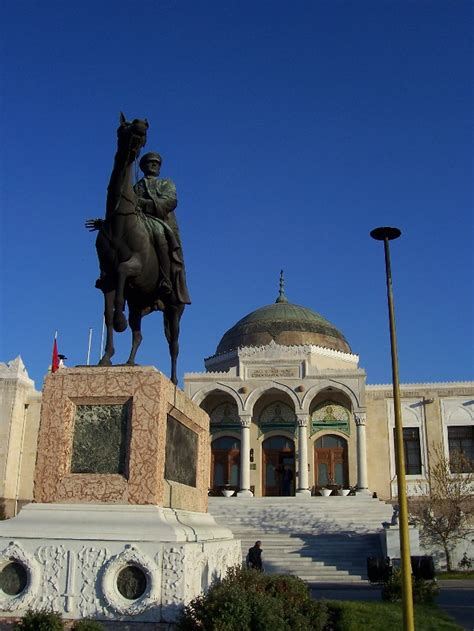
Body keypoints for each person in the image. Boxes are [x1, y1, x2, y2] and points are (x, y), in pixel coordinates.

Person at [85, 150, 190, 306]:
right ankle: (107, 275)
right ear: (142, 166)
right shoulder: (135, 187)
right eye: (149, 162)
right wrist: (106, 223)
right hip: (139, 222)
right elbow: (123, 211)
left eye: (156, 163)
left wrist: (143, 203)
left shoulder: (166, 183)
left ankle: (166, 280)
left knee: (160, 234)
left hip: (159, 220)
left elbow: (170, 201)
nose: (153, 165)